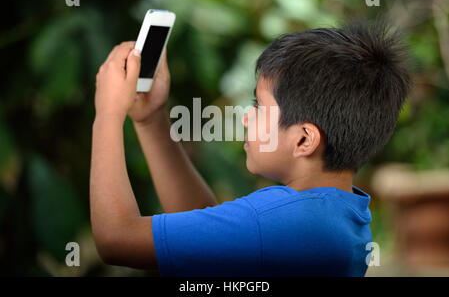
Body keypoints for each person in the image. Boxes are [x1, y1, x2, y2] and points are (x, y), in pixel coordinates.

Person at [90, 20, 411, 276]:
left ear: (303, 140)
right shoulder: (340, 213)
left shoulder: (289, 221)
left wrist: (107, 114)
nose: (246, 117)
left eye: (259, 105)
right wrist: (150, 120)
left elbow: (116, 239)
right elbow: (206, 225)